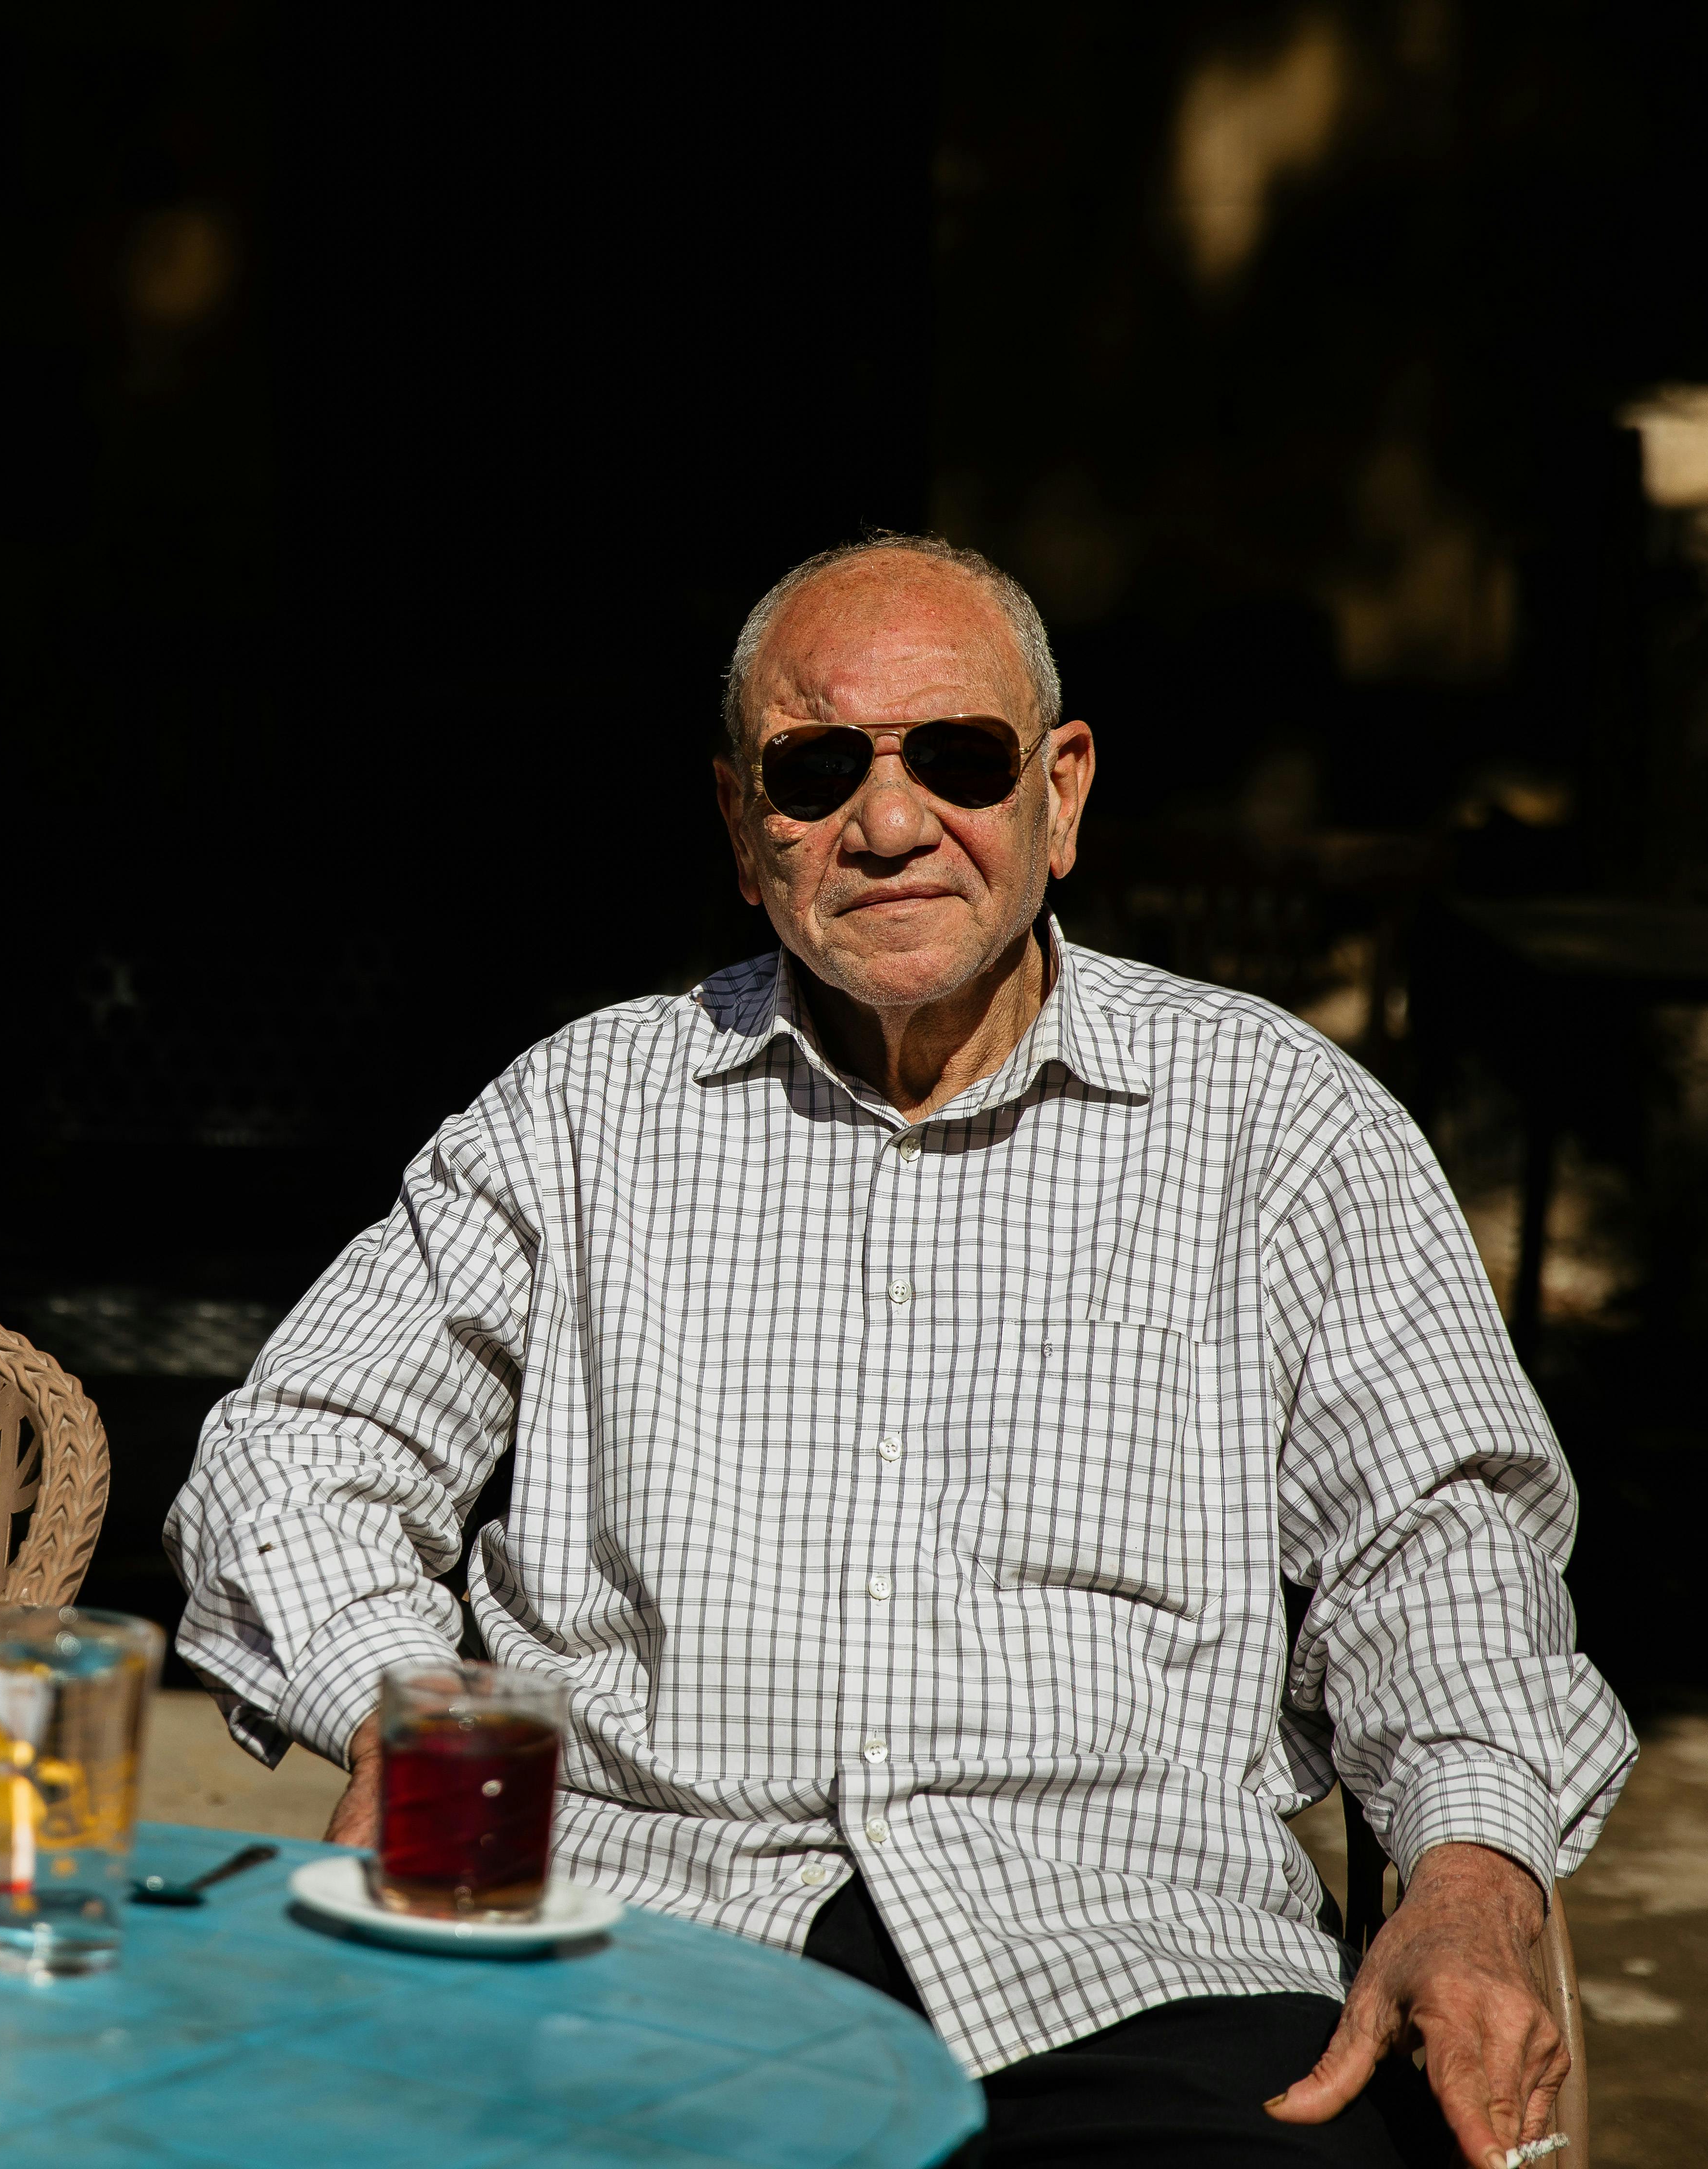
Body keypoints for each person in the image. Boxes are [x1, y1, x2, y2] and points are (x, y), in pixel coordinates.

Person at [164, 535, 1632, 2168]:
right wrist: (405, 1711)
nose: (886, 821)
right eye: (813, 770)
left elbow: (1440, 1543)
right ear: (742, 826)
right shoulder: (582, 1113)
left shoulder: (1278, 1125)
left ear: (1060, 794)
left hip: (1134, 1965)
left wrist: (1473, 1872)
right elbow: (295, 1449)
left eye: (957, 756)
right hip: (619, 1942)